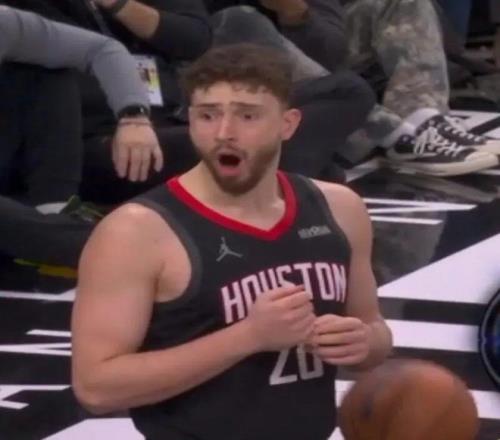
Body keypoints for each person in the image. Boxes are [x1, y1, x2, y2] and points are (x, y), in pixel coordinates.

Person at [71, 44, 392, 440]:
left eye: (247, 115)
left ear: (288, 124)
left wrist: (364, 343)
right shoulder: (136, 232)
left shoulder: (340, 208)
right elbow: (96, 387)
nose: (224, 133)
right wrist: (249, 336)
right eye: (208, 115)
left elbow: (374, 329)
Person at [0, 5, 161, 211]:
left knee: (51, 71)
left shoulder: (6, 24)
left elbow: (102, 49)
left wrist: (133, 117)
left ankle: (55, 209)